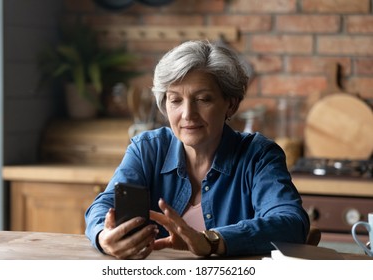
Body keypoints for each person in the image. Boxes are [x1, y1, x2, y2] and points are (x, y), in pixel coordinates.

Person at [85, 40, 310, 259]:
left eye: (203, 99)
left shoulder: (259, 155)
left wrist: (213, 241)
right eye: (175, 100)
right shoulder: (146, 149)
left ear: (230, 104)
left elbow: (291, 223)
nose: (187, 114)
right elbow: (104, 206)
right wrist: (104, 236)